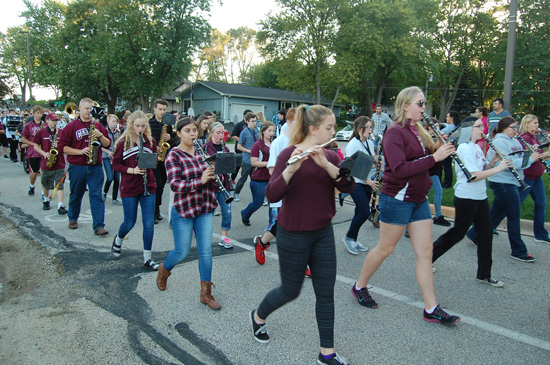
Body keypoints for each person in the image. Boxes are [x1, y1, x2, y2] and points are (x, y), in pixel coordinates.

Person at [250, 104, 354, 365]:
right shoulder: (288, 154)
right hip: (293, 232)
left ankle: (326, 353)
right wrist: (291, 169)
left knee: (325, 292)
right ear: (313, 129)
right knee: (290, 290)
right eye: (329, 127)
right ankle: (258, 316)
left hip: (322, 232)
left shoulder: (330, 156)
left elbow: (348, 185)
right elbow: (272, 195)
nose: (334, 131)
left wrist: (326, 166)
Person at [351, 86, 460, 325]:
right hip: (397, 198)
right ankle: (359, 286)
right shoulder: (394, 133)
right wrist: (434, 157)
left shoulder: (418, 130)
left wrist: (442, 154)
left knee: (426, 253)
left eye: (424, 103)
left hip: (418, 199)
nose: (424, 107)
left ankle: (431, 308)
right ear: (405, 106)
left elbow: (425, 165)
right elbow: (399, 169)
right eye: (419, 103)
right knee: (385, 249)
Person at [432, 118, 511, 287]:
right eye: (479, 126)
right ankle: (428, 258)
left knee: (486, 234)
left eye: (483, 126)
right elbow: (472, 175)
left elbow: (482, 170)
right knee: (457, 233)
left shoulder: (477, 147)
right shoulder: (464, 148)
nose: (483, 128)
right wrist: (498, 169)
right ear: (468, 129)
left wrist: (493, 162)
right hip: (466, 197)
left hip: (480, 196)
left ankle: (484, 274)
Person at [156, 117, 221, 310]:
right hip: (184, 209)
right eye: (187, 131)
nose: (192, 134)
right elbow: (175, 185)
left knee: (206, 252)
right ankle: (164, 270)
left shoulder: (203, 151)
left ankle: (206, 293)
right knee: (182, 252)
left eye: (194, 130)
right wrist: (200, 180)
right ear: (178, 133)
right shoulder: (173, 155)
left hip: (205, 207)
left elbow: (209, 176)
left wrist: (215, 175)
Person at [466, 116, 539, 262]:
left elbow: (519, 158)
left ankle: (474, 234)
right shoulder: (499, 141)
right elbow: (509, 162)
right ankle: (518, 251)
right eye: (513, 127)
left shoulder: (513, 140)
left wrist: (530, 153)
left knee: (496, 214)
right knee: (513, 215)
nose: (516, 130)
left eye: (516, 127)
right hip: (502, 182)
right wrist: (531, 159)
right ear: (505, 128)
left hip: (512, 181)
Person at [110, 111, 159, 270]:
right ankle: (118, 239)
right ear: (131, 125)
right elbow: (115, 165)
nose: (140, 128)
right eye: (137, 125)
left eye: (143, 126)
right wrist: (132, 170)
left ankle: (147, 257)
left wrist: (153, 161)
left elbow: (155, 163)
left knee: (148, 223)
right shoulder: (123, 142)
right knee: (129, 222)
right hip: (130, 186)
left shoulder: (150, 141)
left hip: (148, 186)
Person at [57, 97, 111, 235]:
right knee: (76, 193)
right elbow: (62, 147)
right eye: (86, 108)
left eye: (90, 108)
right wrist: (80, 151)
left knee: (96, 195)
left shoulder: (98, 126)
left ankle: (99, 225)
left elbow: (107, 144)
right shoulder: (71, 127)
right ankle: (73, 217)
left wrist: (100, 136)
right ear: (79, 108)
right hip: (77, 165)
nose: (89, 111)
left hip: (95, 166)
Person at [254, 107, 296, 265]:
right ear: (290, 122)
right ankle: (262, 241)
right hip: (283, 191)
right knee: (282, 226)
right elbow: (272, 170)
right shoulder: (279, 142)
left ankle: (302, 262)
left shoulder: (303, 141)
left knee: (298, 226)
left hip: (299, 193)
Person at [342, 116, 378, 255]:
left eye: (371, 127)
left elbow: (368, 162)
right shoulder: (353, 144)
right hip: (355, 183)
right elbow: (352, 168)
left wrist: (376, 164)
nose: (370, 130)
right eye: (368, 127)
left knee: (359, 211)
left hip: (366, 181)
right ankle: (349, 237)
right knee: (365, 211)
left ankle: (353, 240)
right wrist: (368, 181)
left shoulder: (369, 142)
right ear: (359, 128)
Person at [516, 115, 550, 244]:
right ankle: (486, 228)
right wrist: (547, 153)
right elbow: (533, 157)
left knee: (541, 205)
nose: (538, 125)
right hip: (528, 177)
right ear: (527, 124)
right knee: (514, 206)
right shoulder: (525, 138)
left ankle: (540, 234)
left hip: (537, 177)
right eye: (535, 123)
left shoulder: (534, 137)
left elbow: (540, 156)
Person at [203, 121, 234, 249]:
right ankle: (204, 235)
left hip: (224, 185)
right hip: (211, 185)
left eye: (223, 133)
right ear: (211, 134)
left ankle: (224, 237)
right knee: (208, 212)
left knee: (227, 211)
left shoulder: (225, 148)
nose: (221, 135)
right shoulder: (205, 148)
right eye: (218, 133)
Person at [31, 113, 68, 214]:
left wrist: (59, 145)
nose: (55, 122)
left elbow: (66, 146)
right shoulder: (41, 132)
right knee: (46, 184)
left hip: (59, 162)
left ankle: (60, 205)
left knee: (60, 184)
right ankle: (46, 200)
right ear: (47, 120)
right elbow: (35, 146)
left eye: (56, 120)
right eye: (53, 120)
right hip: (46, 162)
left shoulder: (61, 132)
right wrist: (44, 153)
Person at [241, 122, 275, 226]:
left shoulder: (274, 144)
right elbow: (254, 162)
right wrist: (269, 164)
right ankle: (245, 214)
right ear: (263, 131)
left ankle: (272, 225)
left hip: (271, 178)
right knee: (258, 202)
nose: (272, 133)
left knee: (273, 203)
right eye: (269, 131)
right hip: (258, 179)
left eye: (273, 131)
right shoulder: (257, 145)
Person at [149, 99, 172, 224]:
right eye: (160, 109)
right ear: (154, 109)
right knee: (156, 184)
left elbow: (173, 140)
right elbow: (145, 139)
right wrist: (153, 146)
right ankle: (153, 210)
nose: (162, 112)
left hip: (164, 157)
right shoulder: (149, 123)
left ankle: (157, 207)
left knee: (162, 184)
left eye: (164, 109)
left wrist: (170, 137)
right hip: (153, 157)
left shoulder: (167, 124)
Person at [425, 118, 451, 226]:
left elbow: (437, 159)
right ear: (429, 127)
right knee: (420, 196)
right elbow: (429, 156)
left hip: (433, 171)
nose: (438, 128)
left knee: (438, 191)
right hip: (425, 171)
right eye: (435, 126)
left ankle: (438, 216)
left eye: (438, 126)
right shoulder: (425, 138)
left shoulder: (435, 138)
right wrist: (438, 146)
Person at [233, 112, 259, 202]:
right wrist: (249, 151)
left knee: (256, 179)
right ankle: (236, 193)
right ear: (247, 121)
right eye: (252, 121)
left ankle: (258, 197)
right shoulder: (244, 132)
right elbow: (239, 146)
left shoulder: (257, 131)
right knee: (243, 178)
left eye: (255, 121)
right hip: (247, 159)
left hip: (256, 159)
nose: (254, 123)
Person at [21, 105, 45, 196]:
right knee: (34, 173)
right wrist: (33, 143)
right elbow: (23, 139)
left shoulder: (45, 124)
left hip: (43, 152)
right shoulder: (28, 125)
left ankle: (44, 193)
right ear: (34, 113)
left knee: (43, 172)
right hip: (33, 152)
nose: (40, 115)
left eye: (41, 113)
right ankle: (32, 185)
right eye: (38, 113)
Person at [102, 114, 122, 205]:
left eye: (116, 122)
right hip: (106, 156)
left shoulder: (118, 133)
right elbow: (100, 147)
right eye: (113, 121)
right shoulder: (104, 132)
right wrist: (108, 152)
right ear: (108, 122)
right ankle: (104, 193)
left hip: (115, 157)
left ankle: (114, 198)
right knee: (110, 178)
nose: (115, 124)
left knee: (117, 179)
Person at [230, 109, 253, 183]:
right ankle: (232, 179)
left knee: (249, 166)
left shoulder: (252, 126)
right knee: (237, 165)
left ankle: (253, 180)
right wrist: (241, 140)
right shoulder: (239, 124)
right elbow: (233, 135)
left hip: (249, 150)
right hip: (240, 149)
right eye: (249, 115)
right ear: (245, 116)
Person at [440, 110, 461, 188]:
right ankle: (448, 183)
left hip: (446, 147)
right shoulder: (458, 127)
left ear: (452, 117)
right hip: (452, 148)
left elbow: (439, 133)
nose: (446, 118)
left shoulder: (450, 127)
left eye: (448, 116)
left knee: (446, 167)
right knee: (448, 166)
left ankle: (446, 183)